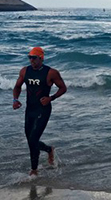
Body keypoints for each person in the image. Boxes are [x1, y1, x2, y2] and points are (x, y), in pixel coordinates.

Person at [12, 47, 67, 176]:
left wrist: (51, 98)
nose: (31, 60)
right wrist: (15, 99)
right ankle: (49, 149)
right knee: (31, 140)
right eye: (29, 57)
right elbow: (17, 86)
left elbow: (63, 88)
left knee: (33, 139)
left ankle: (34, 170)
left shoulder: (51, 73)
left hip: (43, 109)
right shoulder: (25, 71)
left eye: (34, 58)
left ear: (41, 58)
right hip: (29, 109)